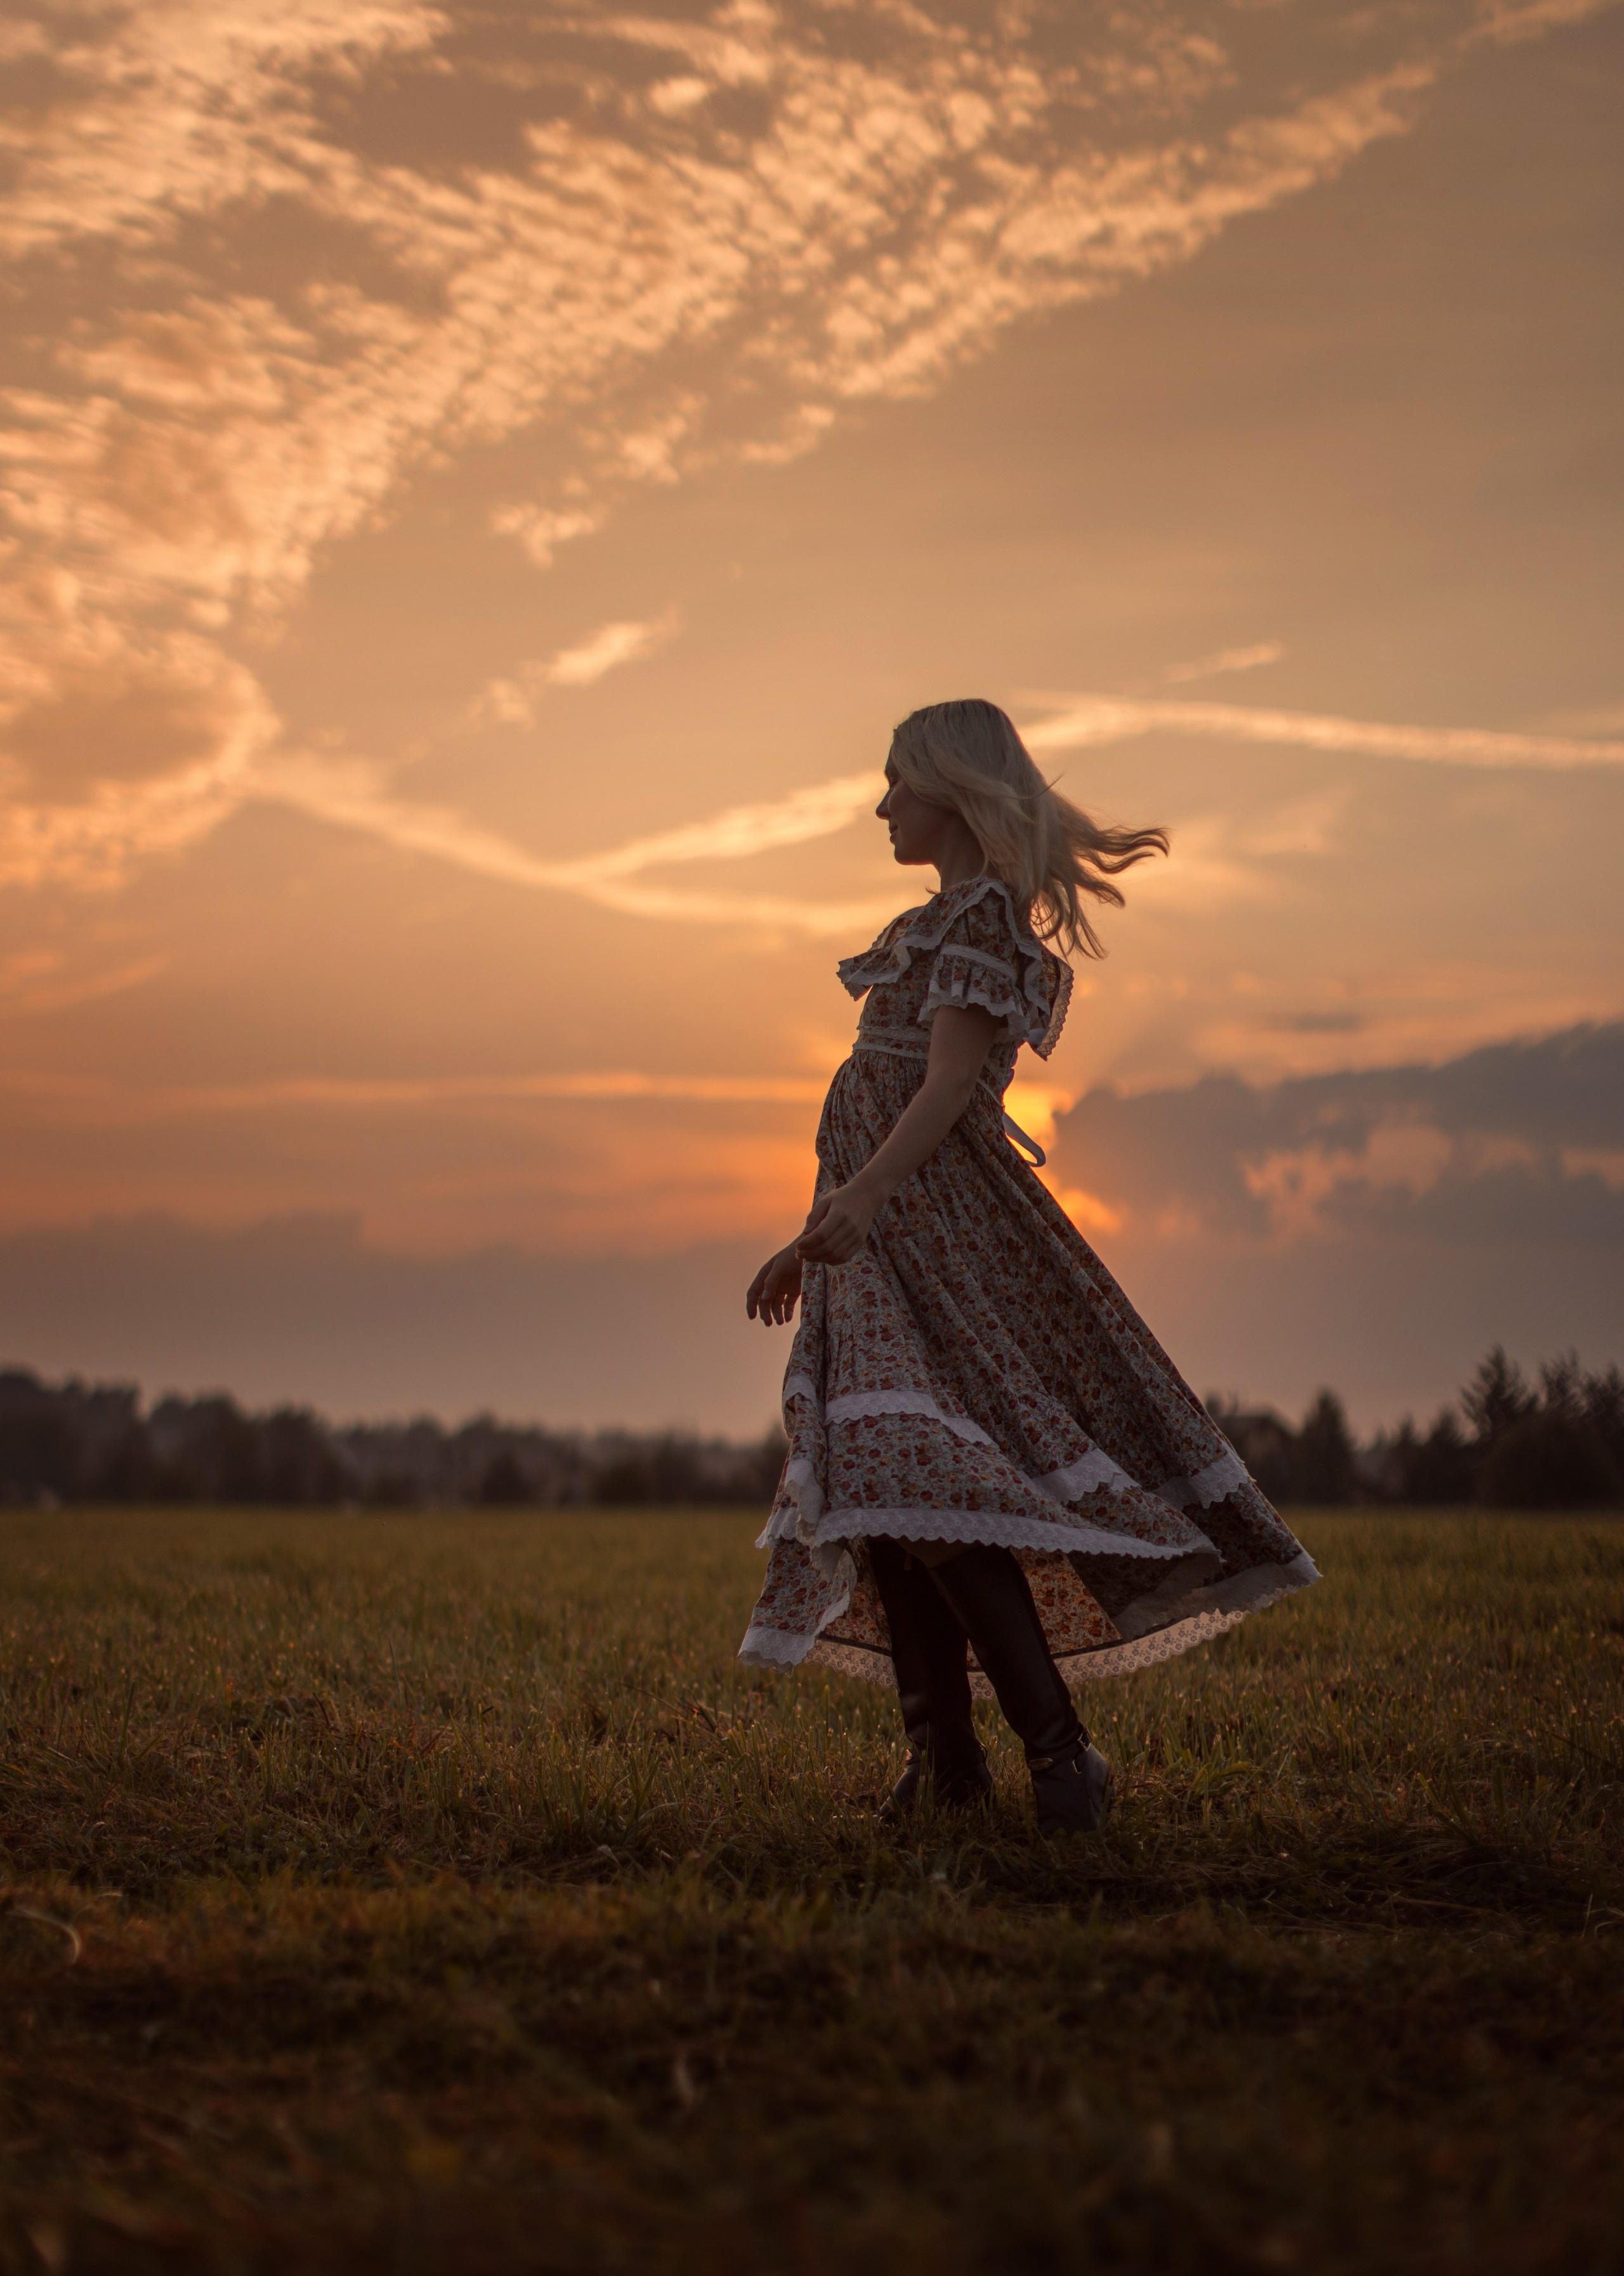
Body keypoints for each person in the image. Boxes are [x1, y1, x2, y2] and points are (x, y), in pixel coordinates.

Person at [738, 698, 1318, 1836]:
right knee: (887, 1492)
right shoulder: (927, 923)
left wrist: (859, 1199)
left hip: (949, 1251)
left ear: (952, 788)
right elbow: (868, 1109)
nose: (881, 804)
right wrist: (813, 1233)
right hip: (880, 1252)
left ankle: (1063, 1759)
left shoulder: (982, 922)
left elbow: (946, 1087)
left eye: (897, 782)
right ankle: (946, 1765)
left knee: (934, 1494)